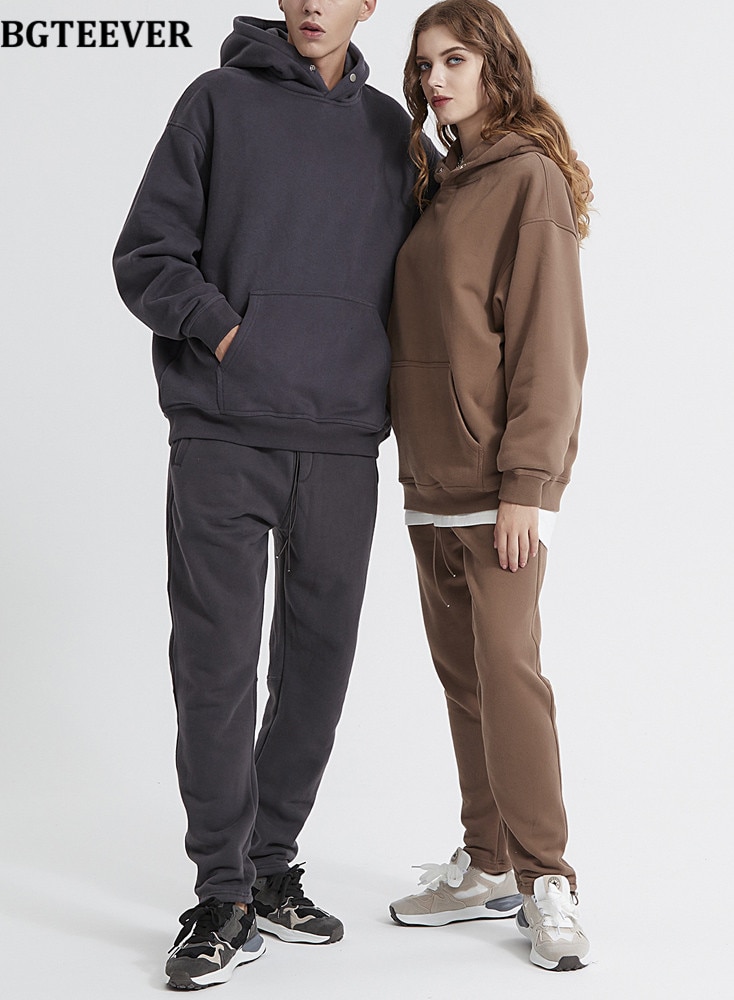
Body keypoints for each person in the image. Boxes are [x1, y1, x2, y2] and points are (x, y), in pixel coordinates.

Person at [112, 1, 437, 990]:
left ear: (368, 3)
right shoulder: (215, 102)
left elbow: (427, 278)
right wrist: (227, 333)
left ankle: (268, 863)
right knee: (214, 668)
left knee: (318, 666)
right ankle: (220, 893)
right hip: (222, 431)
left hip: (342, 441)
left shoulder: (392, 130)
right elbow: (145, 254)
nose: (310, 5)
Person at [386, 0, 591, 973]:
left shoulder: (526, 180)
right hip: (429, 481)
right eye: (424, 64)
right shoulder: (437, 184)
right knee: (464, 679)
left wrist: (528, 485)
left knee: (510, 675)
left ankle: (549, 878)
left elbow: (550, 345)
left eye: (455, 59)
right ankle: (488, 860)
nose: (435, 79)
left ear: (495, 65)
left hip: (497, 486)